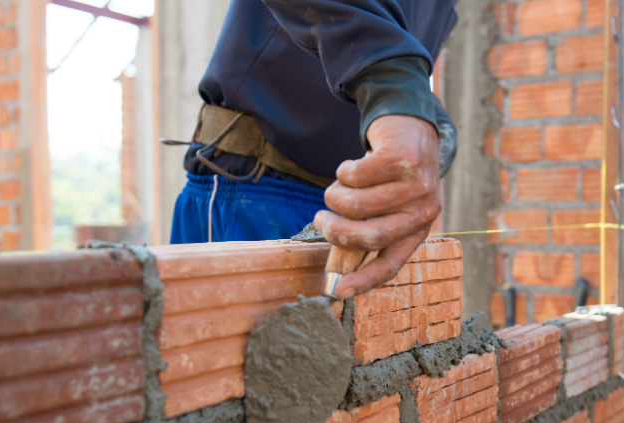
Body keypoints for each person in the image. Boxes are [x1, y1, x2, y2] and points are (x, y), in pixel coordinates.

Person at [165, 0, 459, 301]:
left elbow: (390, 33)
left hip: (347, 211)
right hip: (258, 187)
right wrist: (396, 92)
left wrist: (422, 111)